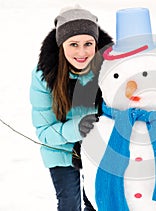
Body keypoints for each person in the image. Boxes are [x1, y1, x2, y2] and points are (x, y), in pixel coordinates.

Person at [30, 6, 113, 211]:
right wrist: (76, 128)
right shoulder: (45, 76)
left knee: (95, 203)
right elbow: (44, 130)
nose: (82, 52)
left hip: (97, 149)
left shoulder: (109, 68)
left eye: (88, 44)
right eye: (73, 44)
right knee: (69, 204)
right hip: (60, 150)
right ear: (61, 44)